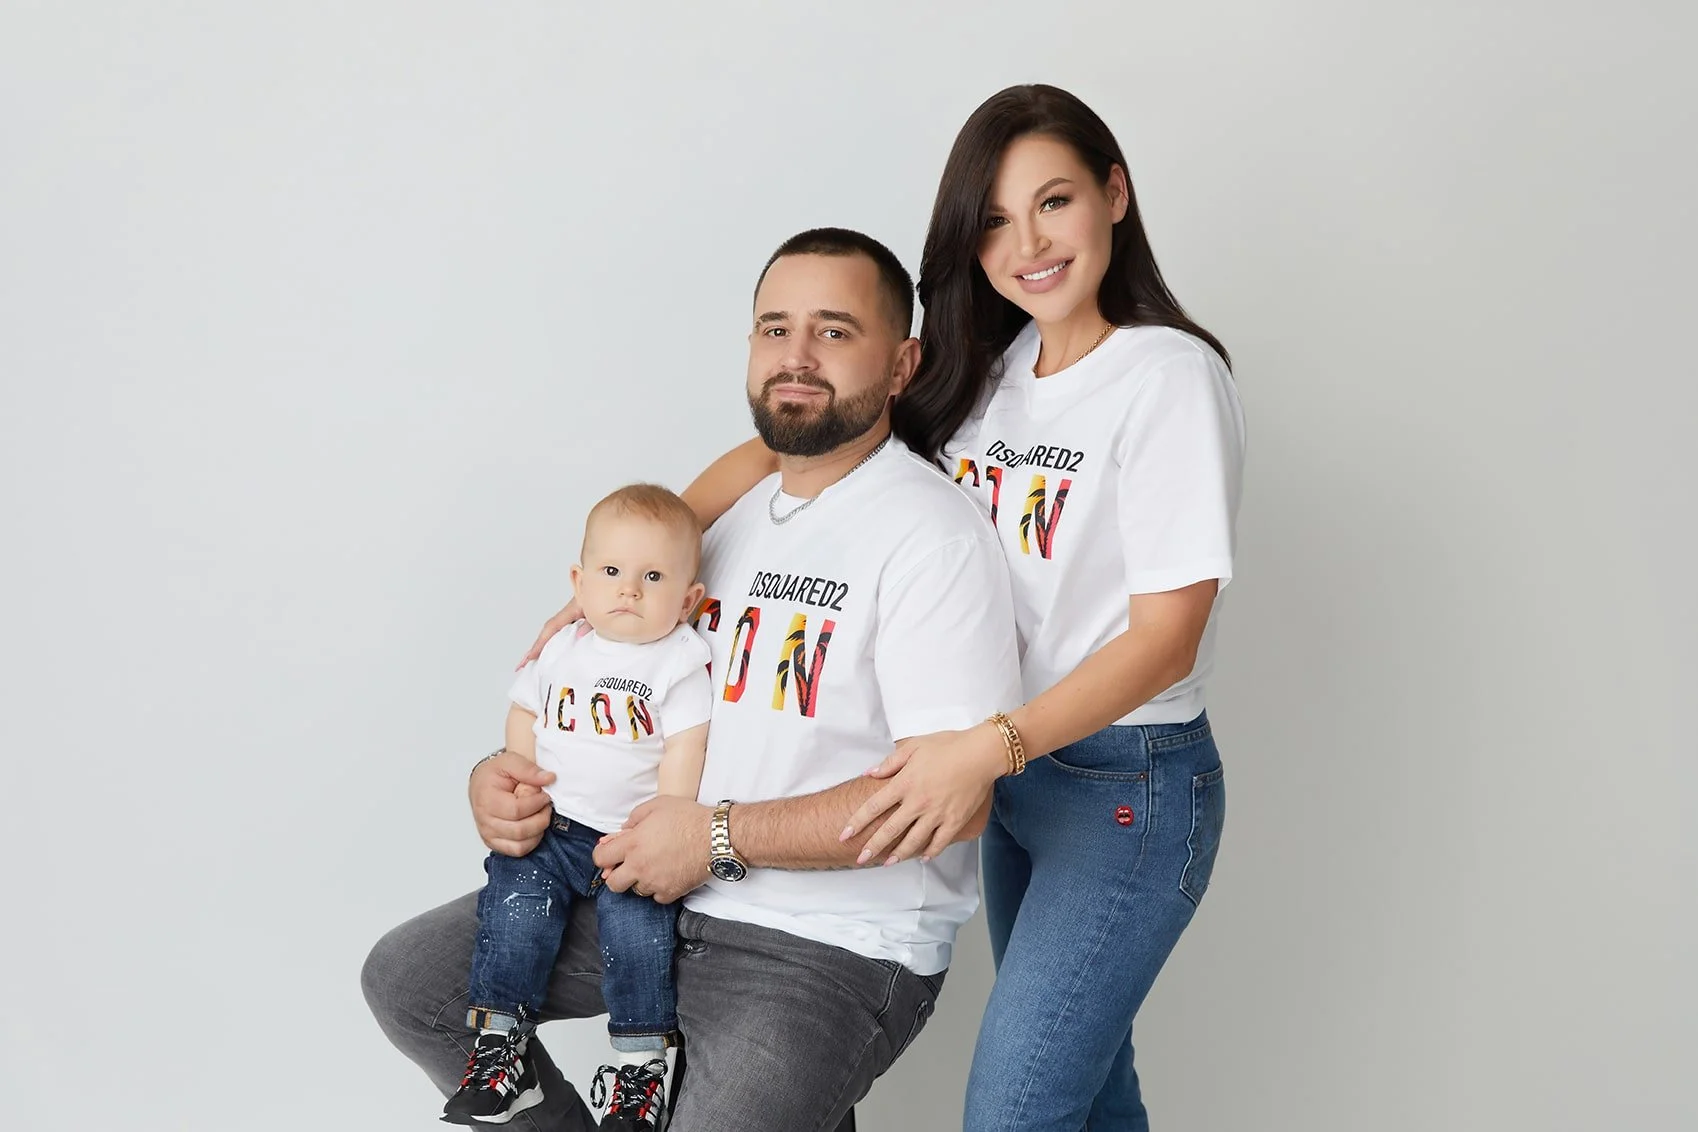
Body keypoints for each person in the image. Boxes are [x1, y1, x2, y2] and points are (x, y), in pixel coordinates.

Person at [547, 84, 1246, 1131]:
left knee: (1019, 1109)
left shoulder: (1168, 376)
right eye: (995, 221)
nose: (1028, 244)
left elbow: (1165, 640)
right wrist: (625, 579)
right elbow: (782, 449)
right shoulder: (991, 371)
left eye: (1054, 202)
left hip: (1122, 788)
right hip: (999, 778)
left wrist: (989, 747)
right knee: (1089, 1091)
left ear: (1115, 194)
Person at [362, 227, 1025, 1132]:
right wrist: (510, 778)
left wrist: (713, 838)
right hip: (651, 896)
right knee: (411, 982)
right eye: (772, 329)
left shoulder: (932, 539)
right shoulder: (717, 524)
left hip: (825, 947)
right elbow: (633, 700)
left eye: (834, 332)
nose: (795, 357)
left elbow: (946, 805)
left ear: (902, 363)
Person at [443, 485, 713, 1128]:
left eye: (653, 577)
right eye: (612, 573)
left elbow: (685, 746)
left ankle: (640, 1069)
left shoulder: (679, 661)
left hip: (630, 838)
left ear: (689, 599)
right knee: (514, 915)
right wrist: (520, 777)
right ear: (580, 581)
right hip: (555, 830)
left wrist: (667, 818)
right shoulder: (564, 647)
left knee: (638, 939)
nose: (629, 590)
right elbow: (525, 713)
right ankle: (501, 1044)